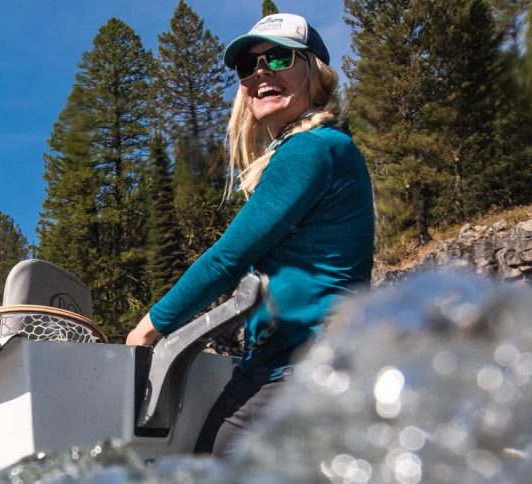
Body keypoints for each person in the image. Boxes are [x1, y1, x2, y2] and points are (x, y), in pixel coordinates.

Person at [126, 12, 374, 457]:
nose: (261, 72)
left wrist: (147, 329)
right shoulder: (324, 148)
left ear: (313, 70)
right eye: (248, 66)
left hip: (301, 367)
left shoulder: (311, 150)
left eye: (278, 59)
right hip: (299, 363)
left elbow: (228, 258)